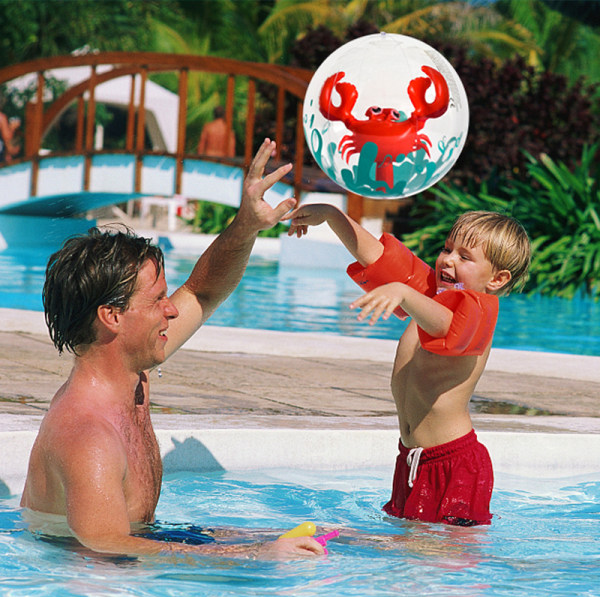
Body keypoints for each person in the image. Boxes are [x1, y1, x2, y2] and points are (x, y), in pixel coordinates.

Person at [20, 140, 324, 559]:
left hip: (145, 542)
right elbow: (105, 547)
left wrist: (246, 225)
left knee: (341, 539)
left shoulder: (130, 374)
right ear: (112, 316)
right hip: (88, 571)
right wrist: (255, 556)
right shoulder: (87, 435)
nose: (170, 310)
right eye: (157, 300)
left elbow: (204, 290)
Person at [286, 205, 530, 526]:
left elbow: (449, 328)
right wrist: (333, 216)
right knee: (409, 559)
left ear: (497, 279)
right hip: (413, 461)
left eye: (465, 257)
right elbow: (378, 257)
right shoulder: (431, 298)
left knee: (438, 564)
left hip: (454, 465)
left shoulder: (478, 312)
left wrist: (402, 292)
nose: (448, 259)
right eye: (446, 249)